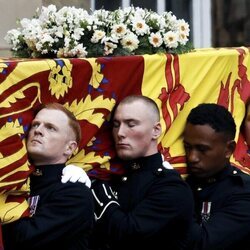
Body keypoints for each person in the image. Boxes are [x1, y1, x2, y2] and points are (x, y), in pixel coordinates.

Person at [90, 95, 194, 250]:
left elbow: (128, 233)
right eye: (116, 125)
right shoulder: (113, 176)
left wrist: (99, 191)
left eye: (131, 125)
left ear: (156, 130)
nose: (120, 133)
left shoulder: (171, 187)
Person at [2, 103, 95, 250]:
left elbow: (23, 240)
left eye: (50, 127)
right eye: (35, 125)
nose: (38, 130)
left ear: (69, 148)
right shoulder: (15, 180)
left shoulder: (75, 193)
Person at [183, 103, 250, 250]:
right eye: (187, 147)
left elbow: (202, 244)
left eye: (202, 149)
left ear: (229, 149)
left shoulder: (244, 192)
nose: (192, 157)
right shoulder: (186, 183)